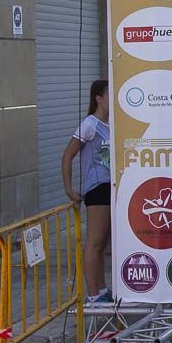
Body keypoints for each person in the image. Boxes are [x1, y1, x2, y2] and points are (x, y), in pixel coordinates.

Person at [61, 80, 112, 303]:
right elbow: (68, 155)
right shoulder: (90, 124)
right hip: (97, 188)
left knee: (104, 243)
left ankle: (101, 289)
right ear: (98, 98)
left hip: (113, 186)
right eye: (110, 95)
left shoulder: (115, 124)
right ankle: (92, 294)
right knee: (95, 240)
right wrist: (69, 189)